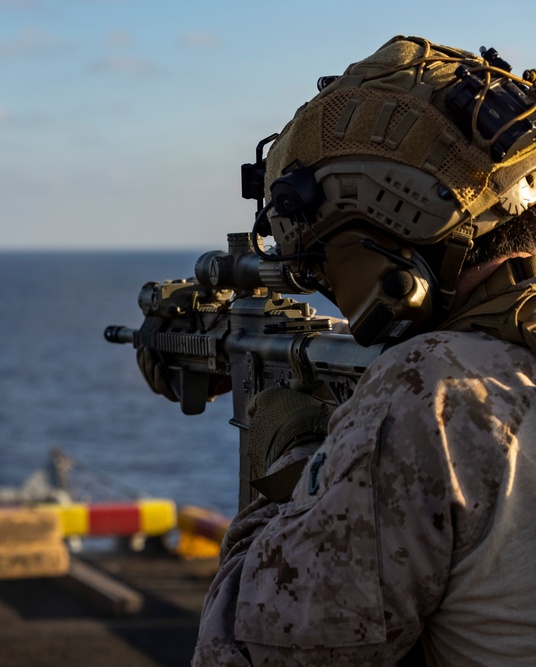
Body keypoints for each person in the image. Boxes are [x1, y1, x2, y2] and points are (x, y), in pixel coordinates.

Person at [193, 36, 536, 665]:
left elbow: (253, 648)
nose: (328, 285)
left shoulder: (433, 391)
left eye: (325, 261)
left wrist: (292, 461)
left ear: (376, 248)